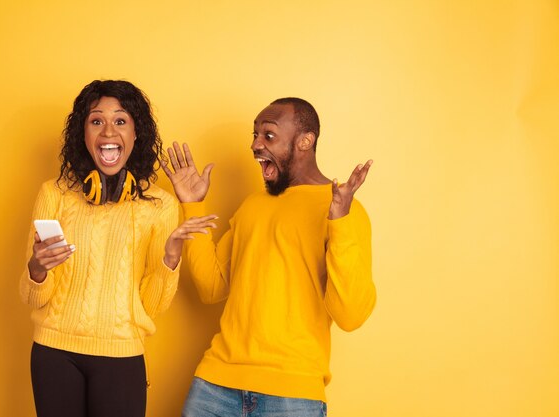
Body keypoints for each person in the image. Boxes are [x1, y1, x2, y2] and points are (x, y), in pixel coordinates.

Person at [161, 97, 376, 417]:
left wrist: (339, 224)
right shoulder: (252, 206)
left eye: (268, 135)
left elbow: (351, 315)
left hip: (291, 395)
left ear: (305, 141)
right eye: (254, 134)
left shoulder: (344, 211)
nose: (255, 144)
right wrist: (193, 206)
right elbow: (211, 287)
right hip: (214, 385)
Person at [19, 80, 210, 417]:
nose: (108, 131)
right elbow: (34, 298)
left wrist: (170, 257)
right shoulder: (54, 193)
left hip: (121, 356)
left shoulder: (160, 206)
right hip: (53, 353)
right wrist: (37, 269)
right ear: (84, 134)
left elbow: (151, 307)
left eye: (120, 121)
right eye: (96, 121)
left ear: (136, 135)